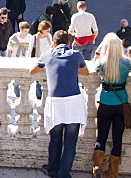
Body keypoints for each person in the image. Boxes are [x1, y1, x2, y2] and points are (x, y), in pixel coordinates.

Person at [30, 30, 89, 178]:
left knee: (55, 138)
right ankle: (63, 173)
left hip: (55, 102)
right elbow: (86, 72)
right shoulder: (76, 55)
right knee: (70, 141)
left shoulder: (47, 54)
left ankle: (52, 168)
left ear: (54, 44)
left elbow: (33, 71)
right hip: (74, 102)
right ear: (69, 43)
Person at [92, 32, 131, 178]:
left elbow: (93, 66)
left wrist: (98, 52)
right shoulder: (126, 63)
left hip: (105, 103)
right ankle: (113, 172)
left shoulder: (102, 63)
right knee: (117, 138)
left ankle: (97, 165)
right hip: (121, 104)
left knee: (101, 137)